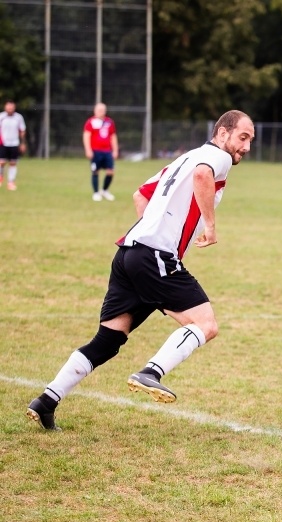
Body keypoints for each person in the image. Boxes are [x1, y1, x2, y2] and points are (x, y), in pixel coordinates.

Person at [26, 110, 255, 431]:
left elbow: (141, 194)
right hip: (154, 255)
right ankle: (151, 372)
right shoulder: (218, 157)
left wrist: (152, 231)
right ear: (222, 133)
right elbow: (203, 176)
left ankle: (46, 402)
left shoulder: (183, 159)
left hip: (130, 253)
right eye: (242, 137)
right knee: (206, 324)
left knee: (108, 340)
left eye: (250, 140)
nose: (246, 147)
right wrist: (210, 227)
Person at [83, 102, 119, 201]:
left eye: (103, 110)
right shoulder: (91, 122)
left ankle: (104, 190)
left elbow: (113, 136)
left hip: (107, 151)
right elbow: (86, 136)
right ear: (95, 111)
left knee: (110, 171)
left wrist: (115, 150)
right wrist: (88, 149)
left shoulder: (109, 122)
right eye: (99, 110)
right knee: (95, 171)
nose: (101, 112)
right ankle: (96, 193)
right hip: (95, 151)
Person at [0, 100, 27, 191]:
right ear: (5, 107)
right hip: (3, 143)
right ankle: (0, 177)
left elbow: (22, 130)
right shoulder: (1, 117)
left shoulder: (18, 117)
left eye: (11, 107)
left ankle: (11, 182)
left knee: (13, 163)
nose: (10, 108)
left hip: (14, 143)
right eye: (8, 107)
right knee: (1, 162)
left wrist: (23, 143)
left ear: (14, 108)